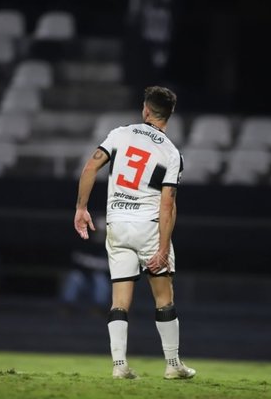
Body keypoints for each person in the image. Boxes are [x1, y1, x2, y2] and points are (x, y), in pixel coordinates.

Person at [74, 86, 195, 380]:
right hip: (149, 225)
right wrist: (163, 248)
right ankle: (173, 364)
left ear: (145, 109)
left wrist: (81, 208)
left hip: (117, 224)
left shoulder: (120, 134)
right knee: (163, 297)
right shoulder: (171, 153)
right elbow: (168, 204)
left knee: (119, 299)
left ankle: (119, 366)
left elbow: (90, 167)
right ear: (170, 115)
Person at [60, 215, 110, 315]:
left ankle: (98, 309)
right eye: (97, 231)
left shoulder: (110, 246)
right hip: (83, 280)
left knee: (99, 278)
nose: (99, 234)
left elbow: (109, 266)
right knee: (75, 276)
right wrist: (95, 264)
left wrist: (90, 263)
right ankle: (66, 307)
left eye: (102, 232)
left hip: (99, 283)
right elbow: (76, 258)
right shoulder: (84, 240)